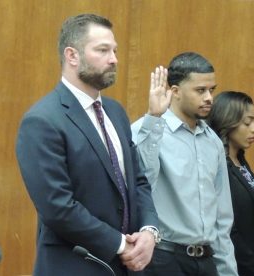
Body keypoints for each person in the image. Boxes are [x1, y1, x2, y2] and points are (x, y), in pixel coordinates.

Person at [16, 14, 159, 276]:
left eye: (114, 50)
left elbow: (138, 181)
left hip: (130, 267)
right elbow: (57, 207)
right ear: (72, 56)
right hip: (75, 266)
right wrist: (119, 244)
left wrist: (150, 232)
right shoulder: (42, 120)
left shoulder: (115, 112)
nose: (114, 59)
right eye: (102, 50)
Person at [131, 52, 238, 276]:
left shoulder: (213, 142)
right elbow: (141, 186)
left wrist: (228, 271)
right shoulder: (146, 129)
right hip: (163, 258)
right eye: (200, 90)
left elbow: (222, 216)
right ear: (175, 92)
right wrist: (154, 118)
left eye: (212, 90)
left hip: (206, 260)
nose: (209, 97)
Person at [207, 91, 254, 276]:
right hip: (234, 267)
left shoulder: (241, 162)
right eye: (247, 123)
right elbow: (228, 229)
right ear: (227, 123)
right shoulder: (218, 167)